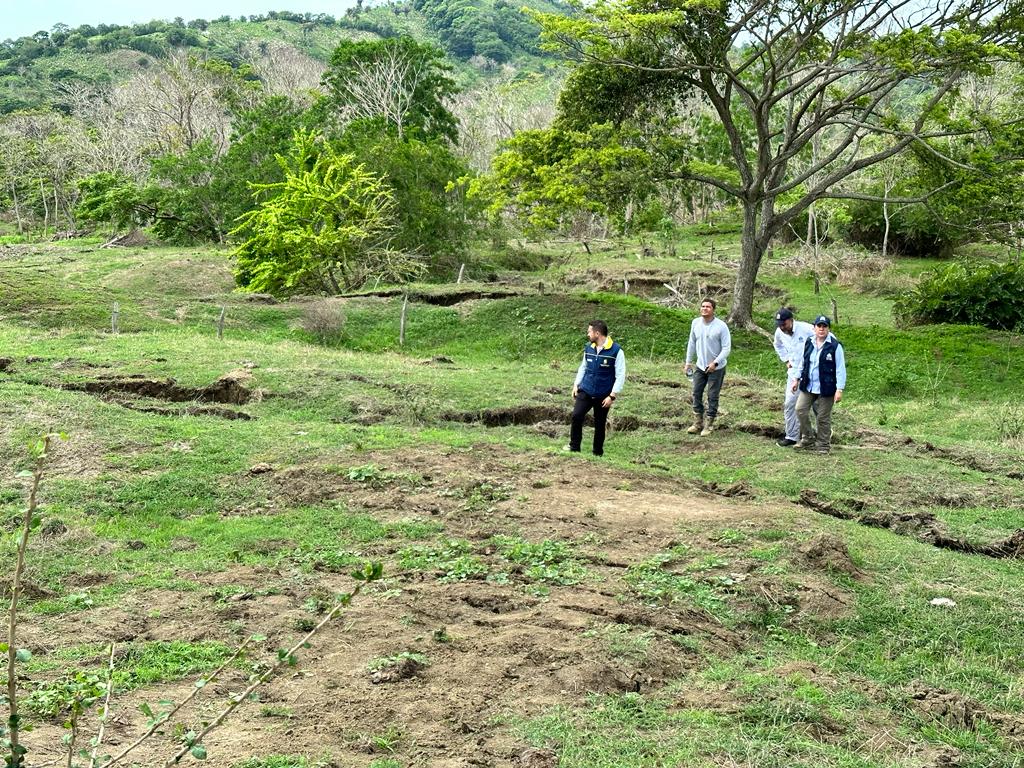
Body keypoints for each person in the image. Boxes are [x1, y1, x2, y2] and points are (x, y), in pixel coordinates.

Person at [567, 319, 626, 456]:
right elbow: (583, 367)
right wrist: (576, 385)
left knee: (599, 424)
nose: (588, 334)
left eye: (589, 332)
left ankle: (597, 453)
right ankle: (574, 447)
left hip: (603, 395)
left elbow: (620, 374)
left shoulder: (616, 351)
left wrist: (612, 395)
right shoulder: (588, 348)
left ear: (597, 333)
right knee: (576, 416)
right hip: (586, 390)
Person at [792, 315, 847, 453]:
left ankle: (823, 445)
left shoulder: (834, 346)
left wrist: (839, 389)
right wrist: (796, 379)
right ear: (814, 328)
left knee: (822, 417)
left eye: (824, 326)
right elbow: (803, 362)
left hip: (826, 387)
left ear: (828, 329)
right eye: (819, 326)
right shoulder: (809, 342)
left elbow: (840, 368)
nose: (821, 329)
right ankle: (808, 438)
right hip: (809, 385)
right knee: (800, 409)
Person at [685, 298, 731, 436]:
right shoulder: (696, 323)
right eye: (702, 306)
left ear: (713, 310)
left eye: (708, 307)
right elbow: (691, 343)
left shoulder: (721, 326)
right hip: (700, 366)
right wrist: (688, 362)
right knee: (696, 392)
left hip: (716, 368)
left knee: (712, 395)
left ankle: (709, 424)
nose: (704, 309)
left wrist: (715, 363)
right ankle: (697, 422)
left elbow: (726, 348)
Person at [772, 308, 815, 447]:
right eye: (779, 324)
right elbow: (777, 345)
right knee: (790, 404)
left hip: (811, 373)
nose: (782, 327)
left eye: (784, 324)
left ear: (791, 320)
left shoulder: (807, 329)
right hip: (794, 373)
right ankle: (791, 435)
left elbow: (828, 338)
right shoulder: (780, 332)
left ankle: (821, 437)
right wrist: (786, 360)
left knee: (817, 406)